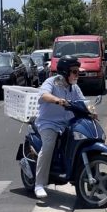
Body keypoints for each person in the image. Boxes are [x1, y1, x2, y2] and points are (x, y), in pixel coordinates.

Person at [32, 55, 86, 199]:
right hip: (48, 122)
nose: (77, 74)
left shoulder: (74, 87)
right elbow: (43, 95)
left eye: (77, 71)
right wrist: (57, 100)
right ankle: (39, 184)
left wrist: (91, 111)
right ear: (64, 72)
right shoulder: (52, 82)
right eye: (74, 71)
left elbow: (83, 102)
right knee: (49, 145)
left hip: (68, 124)